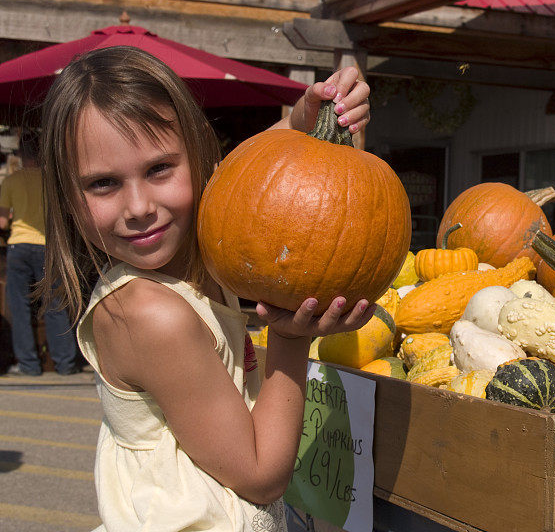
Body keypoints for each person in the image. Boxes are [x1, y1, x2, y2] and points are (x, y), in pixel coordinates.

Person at [38, 45, 373, 532]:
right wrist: (292, 340)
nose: (139, 207)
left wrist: (306, 120)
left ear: (198, 155)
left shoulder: (196, 246)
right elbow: (260, 476)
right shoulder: (150, 315)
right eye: (104, 184)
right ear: (68, 198)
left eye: (158, 170)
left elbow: (249, 174)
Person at [0, 131, 79, 376]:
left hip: (19, 246)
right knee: (55, 305)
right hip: (47, 247)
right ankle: (65, 363)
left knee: (20, 307)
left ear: (21, 155)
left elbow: (2, 222)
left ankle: (28, 365)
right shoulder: (52, 180)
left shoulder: (11, 181)